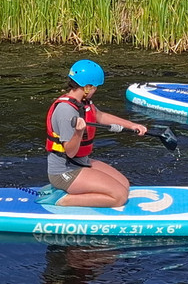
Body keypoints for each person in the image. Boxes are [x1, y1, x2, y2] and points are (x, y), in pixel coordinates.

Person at [43, 59, 147, 207]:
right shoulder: (66, 111)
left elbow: (100, 116)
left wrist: (132, 125)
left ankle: (77, 190)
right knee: (119, 197)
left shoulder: (83, 102)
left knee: (124, 184)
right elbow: (70, 152)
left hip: (80, 162)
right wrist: (79, 132)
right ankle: (62, 200)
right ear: (87, 87)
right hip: (64, 172)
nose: (96, 90)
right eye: (95, 87)